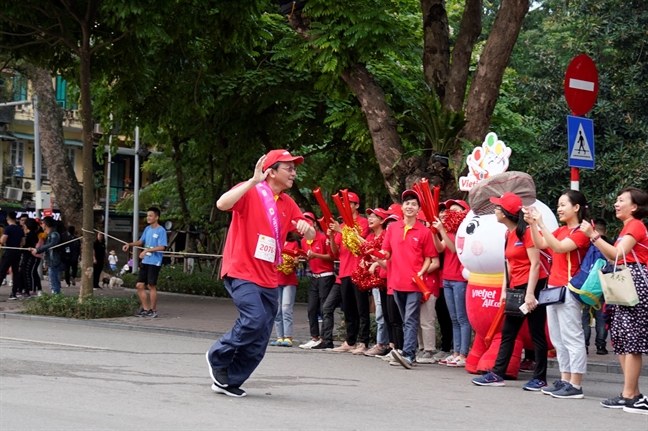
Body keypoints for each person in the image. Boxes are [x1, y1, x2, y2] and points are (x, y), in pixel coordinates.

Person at [205, 150, 315, 398]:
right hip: (241, 271)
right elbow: (222, 204)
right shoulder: (251, 190)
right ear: (271, 171)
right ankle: (218, 355)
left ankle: (228, 380)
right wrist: (253, 181)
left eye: (294, 168)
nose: (294, 173)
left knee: (262, 333)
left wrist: (307, 230)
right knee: (254, 319)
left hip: (268, 276)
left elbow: (310, 235)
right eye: (289, 168)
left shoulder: (288, 203)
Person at [471, 192, 550, 390]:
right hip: (517, 288)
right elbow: (508, 263)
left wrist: (531, 294)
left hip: (533, 286)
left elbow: (535, 264)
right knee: (508, 331)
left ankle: (540, 377)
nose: (495, 210)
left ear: (505, 213)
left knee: (536, 331)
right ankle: (497, 374)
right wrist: (506, 289)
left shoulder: (528, 233)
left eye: (498, 208)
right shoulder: (509, 233)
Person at [580, 188, 648, 413]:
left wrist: (593, 235)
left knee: (631, 340)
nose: (616, 204)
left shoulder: (635, 225)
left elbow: (617, 253)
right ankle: (633, 393)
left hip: (633, 283)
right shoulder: (627, 227)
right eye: (617, 200)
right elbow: (612, 254)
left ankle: (630, 395)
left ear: (635, 207)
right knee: (620, 338)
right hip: (624, 281)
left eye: (621, 200)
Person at [525, 190, 590, 399]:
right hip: (553, 289)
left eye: (563, 205)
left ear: (576, 208)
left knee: (572, 336)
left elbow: (559, 248)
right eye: (558, 205)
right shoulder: (562, 230)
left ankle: (576, 384)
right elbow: (541, 244)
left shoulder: (581, 231)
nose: (559, 209)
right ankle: (565, 379)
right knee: (557, 338)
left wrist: (542, 223)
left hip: (569, 289)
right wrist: (533, 224)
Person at [381, 190, 436, 369]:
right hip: (396, 282)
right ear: (402, 207)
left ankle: (408, 354)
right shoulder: (392, 228)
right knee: (405, 319)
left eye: (413, 204)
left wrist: (422, 272)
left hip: (414, 284)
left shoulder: (424, 231)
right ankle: (406, 351)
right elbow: (386, 252)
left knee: (411, 319)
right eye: (407, 203)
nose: (410, 206)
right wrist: (376, 254)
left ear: (419, 209)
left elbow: (429, 257)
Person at [329, 192, 370, 354]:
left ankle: (364, 342)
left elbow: (362, 244)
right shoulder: (343, 226)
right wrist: (332, 236)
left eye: (348, 203)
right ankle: (350, 341)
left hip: (359, 272)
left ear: (356, 206)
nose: (345, 207)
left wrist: (340, 230)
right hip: (344, 272)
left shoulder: (363, 222)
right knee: (349, 309)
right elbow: (335, 252)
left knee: (362, 309)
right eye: (343, 204)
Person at [432, 199, 471, 367]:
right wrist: (434, 232)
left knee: (462, 318)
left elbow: (454, 248)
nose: (451, 213)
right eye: (450, 210)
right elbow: (440, 248)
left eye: (455, 210)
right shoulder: (447, 230)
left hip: (460, 279)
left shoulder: (465, 231)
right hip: (447, 278)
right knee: (454, 318)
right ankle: (456, 353)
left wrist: (441, 230)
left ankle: (464, 353)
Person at [299, 212, 335, 349]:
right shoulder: (303, 241)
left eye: (309, 222)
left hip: (326, 275)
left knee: (324, 308)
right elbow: (309, 258)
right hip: (314, 276)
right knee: (311, 309)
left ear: (314, 224)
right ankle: (314, 337)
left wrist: (316, 255)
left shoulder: (322, 237)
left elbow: (332, 256)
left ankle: (325, 338)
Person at [122, 207, 167, 318]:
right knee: (139, 285)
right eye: (147, 215)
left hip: (154, 261)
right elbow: (141, 241)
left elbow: (162, 246)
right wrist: (129, 244)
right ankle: (145, 309)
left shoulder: (161, 230)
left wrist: (147, 250)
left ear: (157, 217)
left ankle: (153, 310)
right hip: (145, 261)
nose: (148, 218)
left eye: (150, 216)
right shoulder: (147, 229)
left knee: (151, 285)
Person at [270, 232, 301, 347]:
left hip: (289, 280)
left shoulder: (293, 243)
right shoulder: (274, 242)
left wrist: (293, 262)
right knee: (277, 310)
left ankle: (288, 337)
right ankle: (280, 337)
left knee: (286, 309)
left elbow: (297, 260)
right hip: (275, 280)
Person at [29, 216, 63, 294]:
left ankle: (56, 299)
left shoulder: (54, 234)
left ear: (45, 224)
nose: (41, 225)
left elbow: (52, 244)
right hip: (51, 261)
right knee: (53, 282)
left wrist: (38, 250)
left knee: (54, 283)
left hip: (55, 261)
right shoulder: (49, 234)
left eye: (42, 223)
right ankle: (56, 298)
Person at [0, 212, 24, 293]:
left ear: (7, 219)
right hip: (17, 252)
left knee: (2, 271)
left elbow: (2, 240)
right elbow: (23, 243)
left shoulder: (8, 228)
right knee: (15, 272)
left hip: (8, 251)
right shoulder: (20, 229)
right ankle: (14, 293)